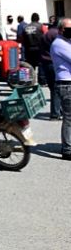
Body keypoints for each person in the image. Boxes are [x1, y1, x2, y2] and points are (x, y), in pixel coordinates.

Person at [51, 18, 71, 160]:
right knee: (69, 118)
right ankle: (67, 149)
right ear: (60, 29)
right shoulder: (59, 44)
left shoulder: (66, 42)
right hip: (66, 84)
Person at [41, 17, 61, 120]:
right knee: (56, 89)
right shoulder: (57, 34)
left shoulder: (46, 34)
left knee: (53, 88)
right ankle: (55, 113)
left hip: (45, 63)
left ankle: (58, 110)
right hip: (54, 63)